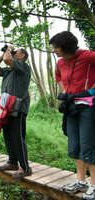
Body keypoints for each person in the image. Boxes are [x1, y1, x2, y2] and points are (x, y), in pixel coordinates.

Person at [49, 31, 95, 200]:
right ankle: (81, 182)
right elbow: (58, 76)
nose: (55, 50)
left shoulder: (87, 57)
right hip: (70, 107)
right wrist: (65, 91)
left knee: (87, 144)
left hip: (87, 107)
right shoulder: (60, 63)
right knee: (74, 145)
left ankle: (94, 185)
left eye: (56, 47)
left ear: (66, 47)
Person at [0, 45, 31, 179]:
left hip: (18, 108)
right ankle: (12, 162)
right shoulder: (9, 71)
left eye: (16, 52)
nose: (13, 53)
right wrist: (3, 55)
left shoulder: (24, 67)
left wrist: (8, 49)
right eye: (13, 52)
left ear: (22, 56)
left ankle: (25, 168)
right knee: (7, 134)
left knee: (18, 137)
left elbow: (8, 59)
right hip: (6, 107)